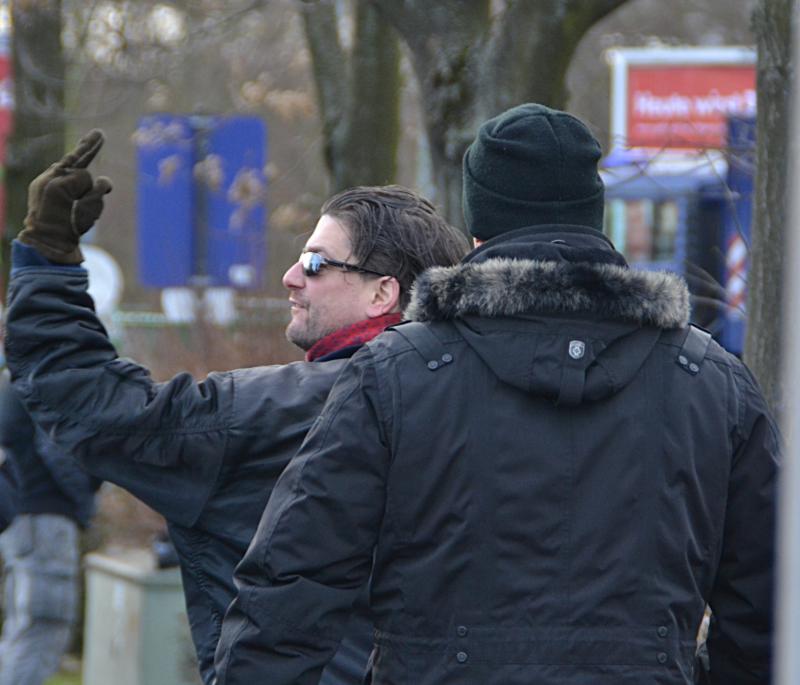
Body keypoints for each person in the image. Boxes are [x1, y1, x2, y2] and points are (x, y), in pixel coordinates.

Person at [213, 104, 779, 685]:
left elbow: (291, 589)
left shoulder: (396, 375)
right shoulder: (709, 382)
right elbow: (772, 608)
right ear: (594, 219)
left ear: (479, 231)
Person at [2, 130, 469, 685]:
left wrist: (48, 262)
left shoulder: (280, 412)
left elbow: (92, 406)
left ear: (381, 294)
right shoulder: (478, 408)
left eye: (316, 263)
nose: (290, 277)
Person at [0, 371, 99, 685]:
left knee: (23, 628)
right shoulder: (38, 381)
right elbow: (58, 447)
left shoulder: (12, 382)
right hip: (46, 520)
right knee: (43, 628)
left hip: (23, 521)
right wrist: (84, 495)